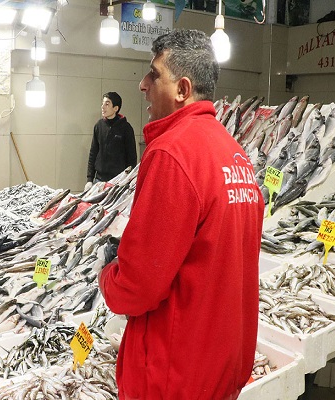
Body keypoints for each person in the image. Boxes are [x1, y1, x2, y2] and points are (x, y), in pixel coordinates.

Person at [98, 30, 264, 399]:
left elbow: (139, 286)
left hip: (174, 376)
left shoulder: (172, 154)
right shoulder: (234, 153)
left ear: (182, 89)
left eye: (154, 74)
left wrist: (107, 275)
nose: (142, 85)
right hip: (220, 367)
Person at [85, 92, 136, 190]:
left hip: (119, 181)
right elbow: (93, 153)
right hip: (99, 180)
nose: (103, 107)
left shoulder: (126, 128)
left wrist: (129, 179)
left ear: (116, 108)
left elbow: (131, 157)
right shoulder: (98, 126)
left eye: (107, 104)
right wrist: (89, 179)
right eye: (102, 103)